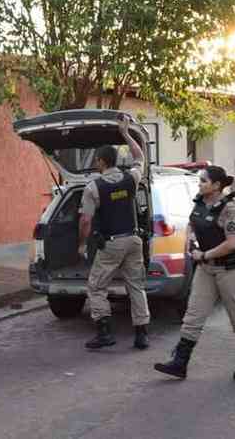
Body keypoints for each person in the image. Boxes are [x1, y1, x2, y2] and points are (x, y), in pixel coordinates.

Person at [154, 166, 235, 380]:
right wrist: (192, 246)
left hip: (231, 269)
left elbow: (232, 243)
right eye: (200, 180)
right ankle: (180, 362)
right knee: (193, 315)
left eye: (204, 181)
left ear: (217, 185)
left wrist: (203, 255)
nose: (200, 184)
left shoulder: (231, 208)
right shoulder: (199, 204)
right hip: (206, 269)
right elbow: (191, 227)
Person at [78, 114, 150, 350]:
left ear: (100, 162)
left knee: (96, 287)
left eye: (97, 161)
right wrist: (126, 133)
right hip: (133, 240)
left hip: (111, 245)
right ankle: (141, 335)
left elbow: (85, 221)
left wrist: (81, 244)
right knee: (136, 286)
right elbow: (140, 156)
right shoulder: (131, 177)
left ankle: (104, 332)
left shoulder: (94, 187)